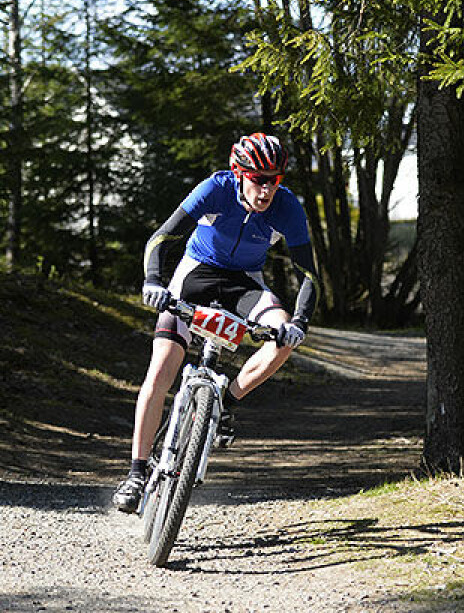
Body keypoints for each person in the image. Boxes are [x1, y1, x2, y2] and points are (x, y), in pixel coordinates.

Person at [112, 133, 319, 513]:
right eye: (259, 179)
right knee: (160, 370)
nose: (267, 188)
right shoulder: (215, 189)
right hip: (196, 274)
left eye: (275, 179)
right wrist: (154, 282)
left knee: (284, 337)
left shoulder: (287, 207)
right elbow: (161, 238)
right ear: (240, 174)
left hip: (244, 282)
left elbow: (309, 275)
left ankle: (225, 402)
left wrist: (300, 323)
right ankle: (137, 473)